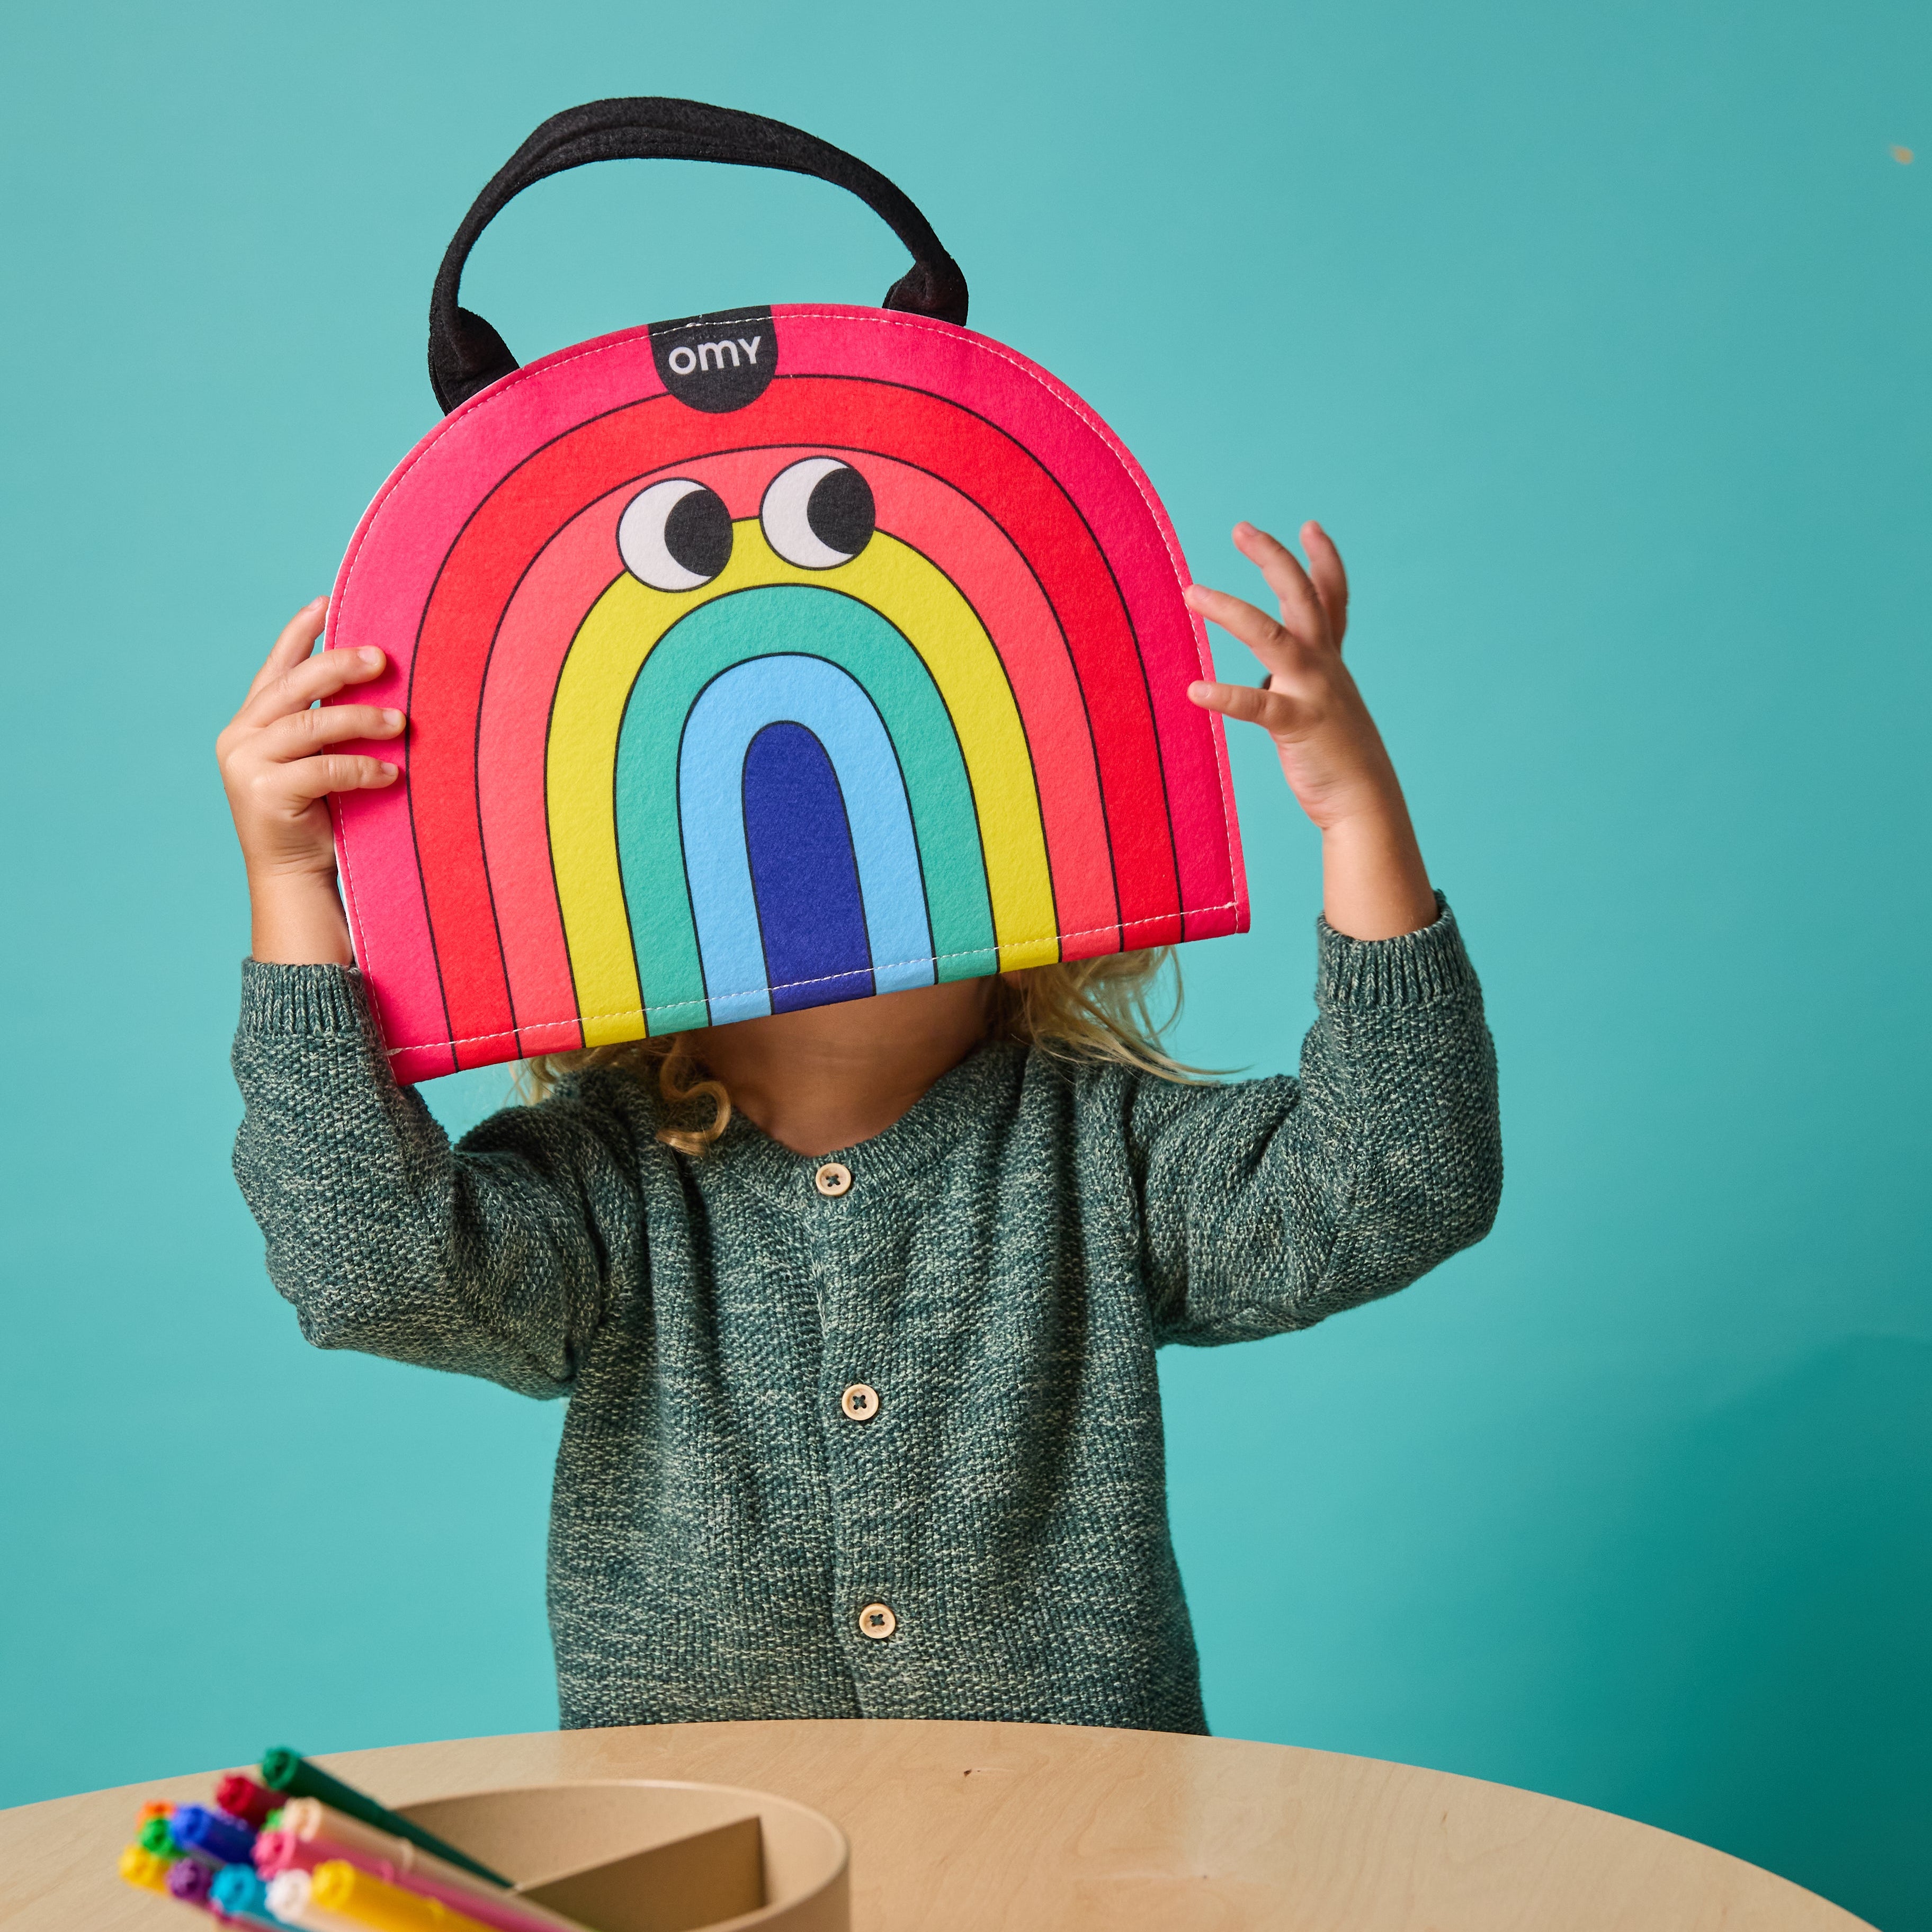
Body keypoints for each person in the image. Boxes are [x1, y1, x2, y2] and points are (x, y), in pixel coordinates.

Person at [220, 520, 1500, 1735]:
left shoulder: (1099, 1155)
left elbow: (1400, 1177)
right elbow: (369, 1268)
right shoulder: (609, 1184)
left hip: (1079, 1861)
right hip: (704, 1860)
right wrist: (293, 887)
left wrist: (1360, 816)